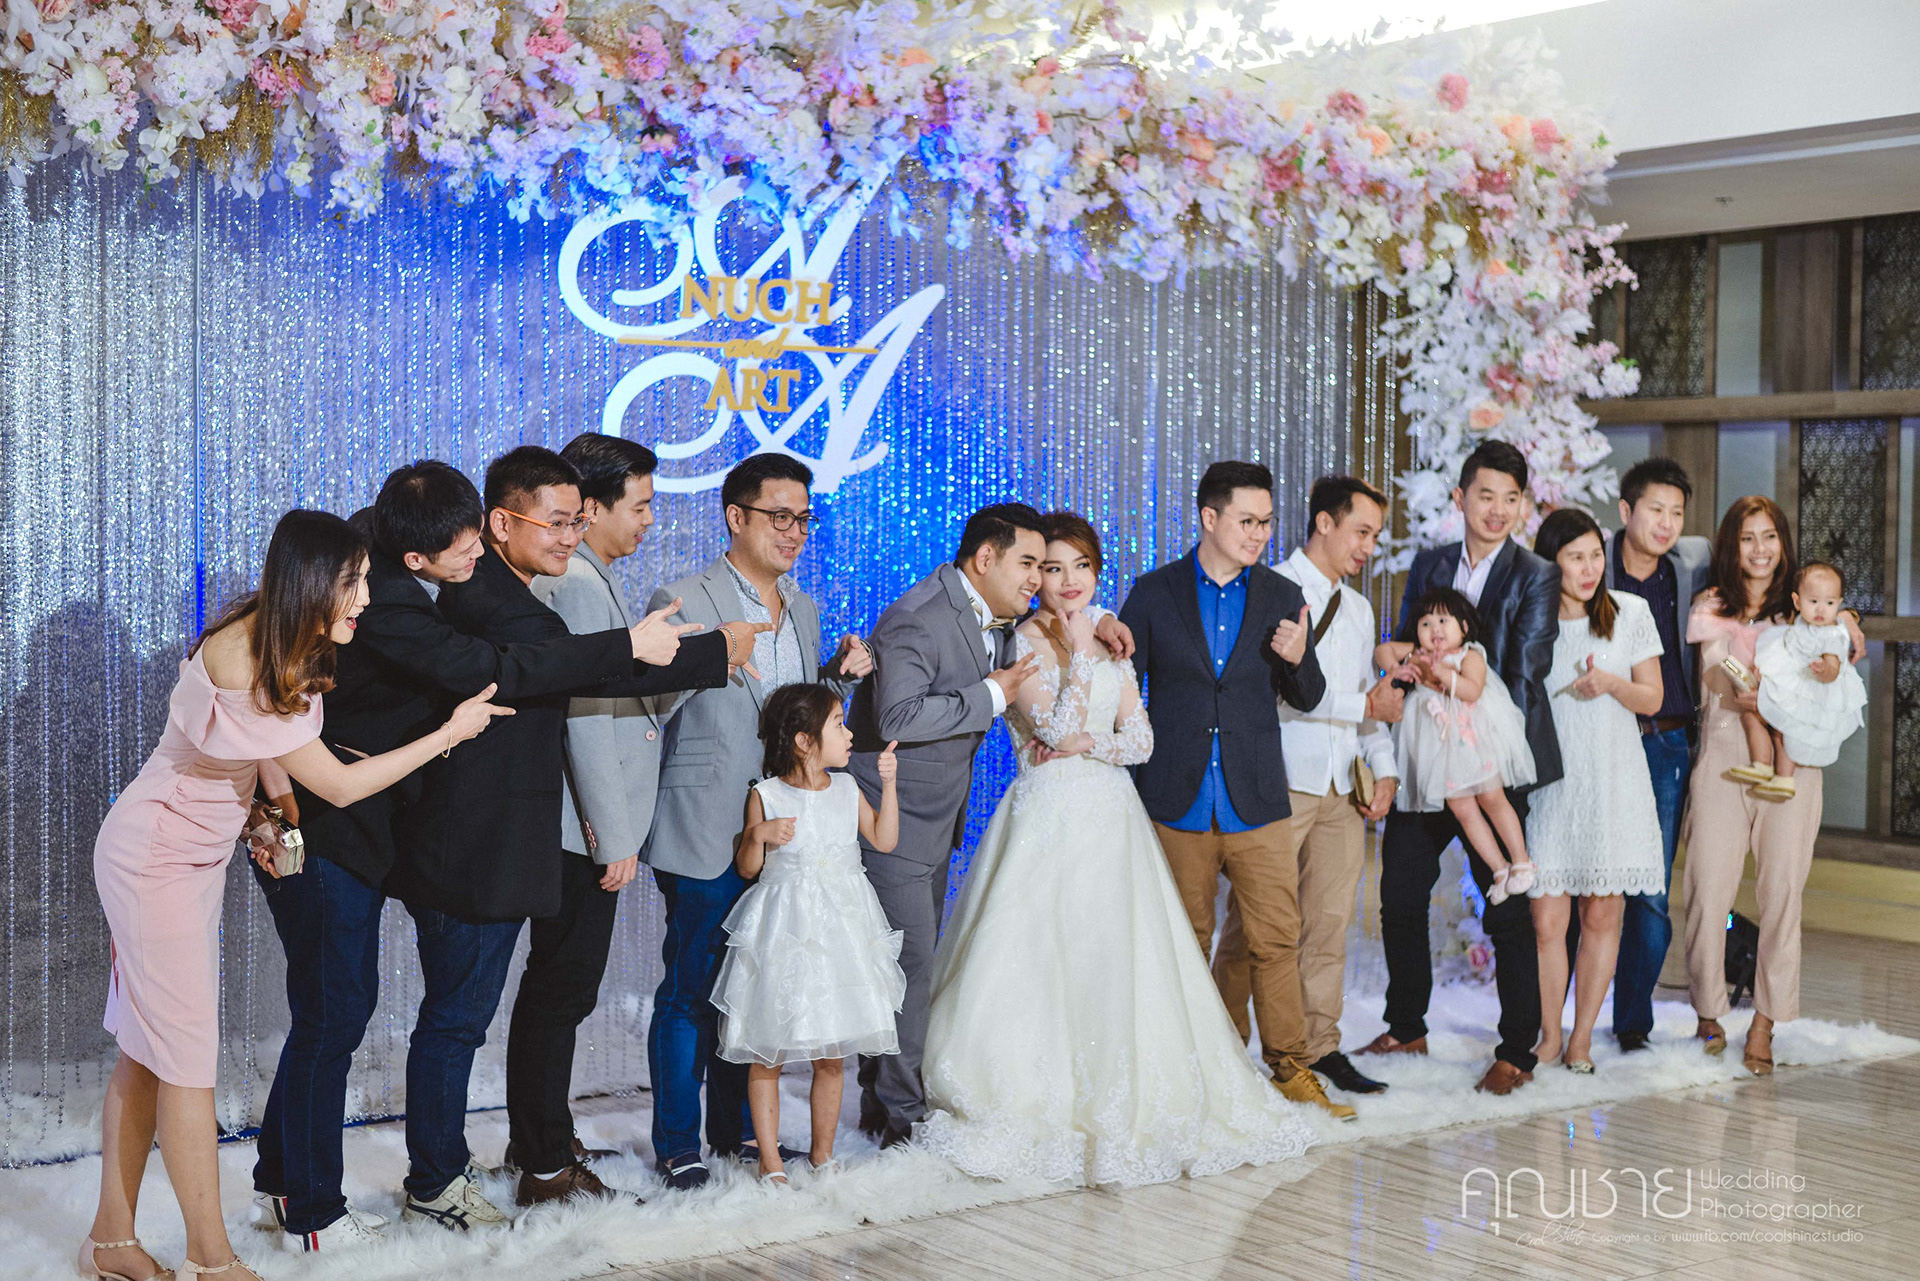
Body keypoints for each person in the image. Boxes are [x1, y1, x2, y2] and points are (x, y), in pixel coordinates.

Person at [251, 460, 692, 1253]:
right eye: (466, 549)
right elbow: (493, 670)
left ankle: (284, 1181)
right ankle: (313, 1209)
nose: (479, 557)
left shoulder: (390, 552)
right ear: (414, 557)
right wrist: (637, 647)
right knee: (337, 1016)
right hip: (326, 826)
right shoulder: (381, 598)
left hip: (356, 823)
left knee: (334, 1013)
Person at [85, 511, 508, 1281]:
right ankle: (212, 1260)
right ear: (313, 582)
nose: (366, 599)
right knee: (184, 1063)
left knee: (147, 1055)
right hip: (155, 861)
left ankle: (110, 1243)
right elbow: (338, 783)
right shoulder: (248, 651)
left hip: (181, 855)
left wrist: (272, 808)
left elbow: (257, 750)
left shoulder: (273, 632)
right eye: (355, 583)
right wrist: (451, 731)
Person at [385, 447, 762, 1226]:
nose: (573, 533)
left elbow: (581, 679)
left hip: (501, 838)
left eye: (577, 519)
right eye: (559, 520)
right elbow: (585, 686)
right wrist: (708, 651)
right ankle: (450, 1179)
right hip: (480, 843)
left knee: (487, 1009)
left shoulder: (513, 584)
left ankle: (504, 1157)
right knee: (468, 1015)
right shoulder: (497, 597)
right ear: (501, 522)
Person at [920, 513, 1317, 1186]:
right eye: (1052, 568)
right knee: (1040, 959)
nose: (1068, 580)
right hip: (1046, 817)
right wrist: (1079, 658)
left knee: (1120, 959)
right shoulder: (1020, 641)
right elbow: (1054, 728)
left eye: (1082, 566)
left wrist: (1091, 732)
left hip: (1113, 817)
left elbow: (1141, 741)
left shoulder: (1111, 639)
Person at [846, 503, 1134, 1147]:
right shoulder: (917, 617)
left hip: (936, 814)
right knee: (909, 965)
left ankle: (880, 1101)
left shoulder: (993, 615)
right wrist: (996, 695)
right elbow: (897, 719)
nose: (1037, 577)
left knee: (901, 963)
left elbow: (1050, 622)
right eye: (1029, 563)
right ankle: (902, 1118)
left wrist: (1103, 620)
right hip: (893, 816)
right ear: (985, 559)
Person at [504, 434, 732, 1206]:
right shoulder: (574, 585)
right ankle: (542, 1159)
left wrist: (692, 660)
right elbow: (587, 721)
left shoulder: (594, 580)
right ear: (592, 507)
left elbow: (630, 705)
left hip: (586, 827)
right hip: (581, 829)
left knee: (561, 991)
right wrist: (612, 834)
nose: (649, 520)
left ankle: (543, 1138)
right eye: (640, 505)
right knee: (560, 991)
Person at [641, 453, 872, 1190]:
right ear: (736, 517)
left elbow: (789, 720)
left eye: (804, 518)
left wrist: (835, 681)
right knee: (690, 990)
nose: (794, 531)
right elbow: (649, 708)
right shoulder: (682, 597)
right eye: (780, 516)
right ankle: (679, 1143)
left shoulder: (803, 607)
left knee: (754, 992)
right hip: (708, 823)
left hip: (785, 831)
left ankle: (738, 1133)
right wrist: (713, 654)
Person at [1118, 462, 1349, 1120]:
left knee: (1275, 939)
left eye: (1267, 522)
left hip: (1256, 796)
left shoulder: (1281, 594)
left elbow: (1310, 696)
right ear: (1209, 518)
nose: (1259, 533)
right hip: (1175, 796)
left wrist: (1299, 657)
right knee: (1183, 943)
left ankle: (1290, 1068)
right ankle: (1189, 1074)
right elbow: (1122, 690)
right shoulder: (1154, 592)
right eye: (1247, 521)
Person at [1363, 440, 1558, 1097]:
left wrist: (1450, 675)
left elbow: (1527, 666)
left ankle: (1517, 1051)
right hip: (1427, 752)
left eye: (1511, 498)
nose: (1498, 509)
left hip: (1487, 755)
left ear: (1523, 505)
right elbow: (1405, 638)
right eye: (1485, 495)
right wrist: (1402, 658)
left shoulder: (1535, 573)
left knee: (1506, 902)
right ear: (1460, 498)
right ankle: (1406, 1026)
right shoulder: (1431, 561)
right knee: (1400, 892)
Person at [1212, 476, 1404, 1098]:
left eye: (1375, 536)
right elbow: (1278, 697)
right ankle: (1222, 1045)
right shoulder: (1270, 589)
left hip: (1341, 787)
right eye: (1362, 532)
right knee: (1252, 923)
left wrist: (1385, 766)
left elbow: (1373, 704)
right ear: (1324, 522)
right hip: (1279, 780)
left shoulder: (1359, 608)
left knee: (1327, 924)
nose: (1369, 547)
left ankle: (1319, 1046)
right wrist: (1363, 705)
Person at [713, 685, 907, 1186]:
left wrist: (889, 784)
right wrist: (758, 835)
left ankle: (822, 1154)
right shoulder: (766, 794)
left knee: (832, 1053)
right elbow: (749, 869)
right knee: (768, 1050)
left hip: (840, 932)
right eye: (839, 724)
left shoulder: (847, 788)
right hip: (784, 931)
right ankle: (770, 1161)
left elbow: (883, 838)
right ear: (804, 741)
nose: (850, 733)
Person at [1682, 496, 1842, 1076]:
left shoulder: (1804, 609)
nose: (1759, 549)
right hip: (1723, 753)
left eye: (1769, 536)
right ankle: (1708, 1011)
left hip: (1791, 756)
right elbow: (1714, 675)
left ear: (1783, 543)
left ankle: (1764, 1024)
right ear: (1731, 544)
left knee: (1781, 894)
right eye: (1747, 537)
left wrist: (1847, 626)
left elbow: (1839, 638)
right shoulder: (1710, 604)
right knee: (1707, 889)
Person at [1525, 508, 1666, 1074]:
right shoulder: (1533, 621)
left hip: (1613, 780)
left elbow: (1652, 698)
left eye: (1595, 556)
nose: (1589, 569)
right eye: (1575, 557)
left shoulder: (1629, 612)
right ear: (1551, 563)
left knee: (1603, 916)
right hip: (1552, 786)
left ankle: (1581, 1039)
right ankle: (1548, 1036)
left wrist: (1609, 682)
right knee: (1546, 921)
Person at [1603, 457, 1711, 1053]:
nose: (1666, 523)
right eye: (1655, 510)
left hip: (1667, 739)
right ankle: (1561, 1014)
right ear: (1626, 511)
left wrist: (1845, 615)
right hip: (1602, 735)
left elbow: (1768, 578)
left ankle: (1631, 1022)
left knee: (1650, 889)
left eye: (1676, 512)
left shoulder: (1692, 565)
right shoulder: (1591, 561)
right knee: (1587, 878)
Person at [1374, 589, 1538, 900]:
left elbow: (1472, 690)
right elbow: (1383, 649)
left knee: (1492, 797)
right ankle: (1500, 869)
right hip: (1441, 751)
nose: (1434, 629)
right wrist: (1399, 666)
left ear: (1463, 627)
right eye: (1425, 623)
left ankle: (1521, 861)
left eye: (1443, 621)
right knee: (1462, 808)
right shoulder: (1419, 653)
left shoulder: (1469, 654)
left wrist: (1442, 674)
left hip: (1473, 741)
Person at [1736, 562, 1868, 800]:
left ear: (1839, 604)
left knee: (1787, 730)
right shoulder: (1804, 624)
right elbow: (1786, 648)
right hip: (1796, 676)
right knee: (1766, 723)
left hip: (1812, 689)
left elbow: (1834, 669)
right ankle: (1763, 764)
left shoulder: (1831, 634)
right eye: (1813, 601)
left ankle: (1784, 777)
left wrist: (1824, 669)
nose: (1821, 610)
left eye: (1830, 603)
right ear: (1797, 602)